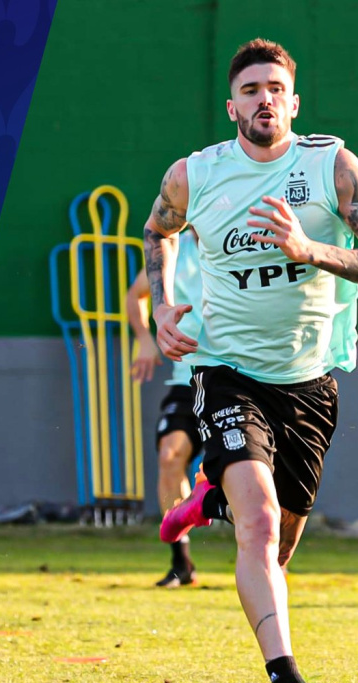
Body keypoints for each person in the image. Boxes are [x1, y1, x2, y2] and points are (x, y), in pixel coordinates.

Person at [142, 38, 358, 683]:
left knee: (280, 549)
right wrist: (161, 308)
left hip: (310, 384)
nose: (264, 99)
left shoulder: (331, 167)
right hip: (225, 371)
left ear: (294, 103)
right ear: (232, 106)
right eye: (251, 89)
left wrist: (310, 249)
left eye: (276, 89)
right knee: (257, 527)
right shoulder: (195, 175)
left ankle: (209, 500)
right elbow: (158, 230)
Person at [126, 229, 203, 588]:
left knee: (251, 471)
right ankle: (181, 562)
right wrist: (145, 340)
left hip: (241, 377)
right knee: (170, 455)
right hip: (187, 379)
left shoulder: (244, 239)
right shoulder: (173, 247)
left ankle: (273, 558)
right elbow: (135, 295)